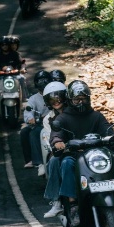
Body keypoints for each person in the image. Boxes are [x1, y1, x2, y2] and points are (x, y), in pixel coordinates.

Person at [51, 80, 114, 226]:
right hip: (74, 156)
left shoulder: (96, 116)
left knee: (113, 157)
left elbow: (107, 131)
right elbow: (56, 134)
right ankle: (73, 204)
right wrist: (58, 141)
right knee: (66, 163)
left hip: (96, 156)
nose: (81, 102)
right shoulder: (62, 118)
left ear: (89, 99)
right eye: (77, 99)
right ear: (70, 100)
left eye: (84, 99)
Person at [42, 81, 69, 218]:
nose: (56, 101)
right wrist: (58, 144)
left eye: (58, 97)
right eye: (51, 99)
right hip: (63, 150)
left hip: (81, 145)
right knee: (53, 161)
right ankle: (56, 201)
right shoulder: (48, 119)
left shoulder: (75, 111)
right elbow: (50, 137)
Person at [20, 70, 52, 173]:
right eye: (40, 80)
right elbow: (28, 110)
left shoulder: (53, 94)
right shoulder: (33, 98)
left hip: (53, 122)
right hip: (40, 123)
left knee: (34, 133)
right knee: (24, 132)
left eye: (45, 80)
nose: (43, 83)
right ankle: (30, 160)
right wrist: (30, 118)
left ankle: (39, 161)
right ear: (36, 83)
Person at [0, 35, 28, 105]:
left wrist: (23, 69)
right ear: (0, 46)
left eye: (6, 45)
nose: (4, 46)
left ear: (9, 45)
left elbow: (22, 63)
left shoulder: (15, 54)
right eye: (2, 45)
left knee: (22, 78)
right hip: (1, 75)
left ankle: (24, 97)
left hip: (14, 74)